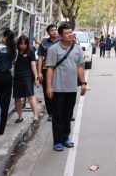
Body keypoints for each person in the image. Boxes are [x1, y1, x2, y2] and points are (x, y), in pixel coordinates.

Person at [45, 23, 87, 151]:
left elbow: (80, 67)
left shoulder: (77, 49)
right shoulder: (53, 49)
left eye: (71, 32)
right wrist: (48, 87)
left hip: (72, 88)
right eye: (67, 33)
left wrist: (83, 83)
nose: (70, 35)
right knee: (58, 115)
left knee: (68, 115)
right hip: (58, 88)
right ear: (61, 35)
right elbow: (50, 68)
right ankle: (57, 141)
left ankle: (65, 138)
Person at [13, 35, 39, 124]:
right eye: (21, 44)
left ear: (27, 44)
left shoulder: (30, 52)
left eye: (24, 44)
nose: (23, 46)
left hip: (27, 76)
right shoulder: (15, 52)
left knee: (30, 96)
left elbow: (33, 65)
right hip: (17, 76)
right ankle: (20, 116)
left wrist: (36, 77)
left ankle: (35, 117)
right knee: (17, 97)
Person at [37, 24, 59, 122]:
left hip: (59, 70)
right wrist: (39, 72)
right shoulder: (44, 42)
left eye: (55, 30)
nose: (54, 31)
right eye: (52, 30)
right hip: (46, 69)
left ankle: (62, 112)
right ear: (48, 32)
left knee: (59, 91)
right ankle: (51, 113)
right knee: (48, 92)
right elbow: (40, 58)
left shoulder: (61, 41)